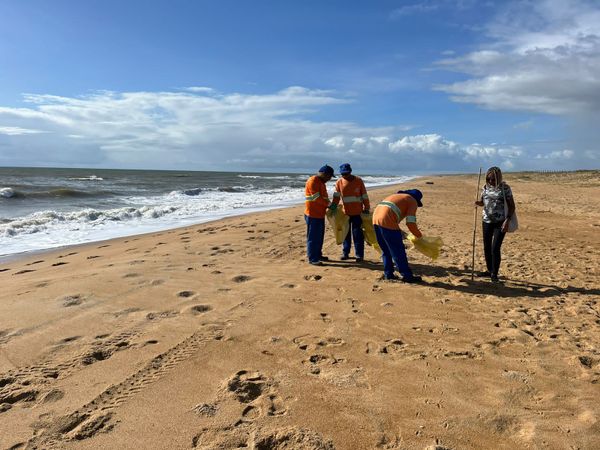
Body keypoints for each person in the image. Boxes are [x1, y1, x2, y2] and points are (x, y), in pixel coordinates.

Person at [372, 189, 424, 283]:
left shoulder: (396, 196)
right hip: (386, 221)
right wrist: (419, 236)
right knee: (398, 250)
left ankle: (389, 274)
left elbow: (390, 212)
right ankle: (407, 276)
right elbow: (410, 223)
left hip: (375, 220)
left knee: (386, 250)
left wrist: (399, 231)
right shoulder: (412, 201)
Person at [475, 166, 515, 282]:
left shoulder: (505, 188)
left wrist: (507, 220)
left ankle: (494, 273)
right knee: (487, 246)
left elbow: (512, 206)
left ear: (499, 178)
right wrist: (479, 203)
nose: (491, 182)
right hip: (486, 220)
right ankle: (489, 270)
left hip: (500, 222)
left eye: (493, 179)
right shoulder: (485, 188)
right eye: (489, 179)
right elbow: (483, 202)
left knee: (495, 247)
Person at [330, 163, 370, 262]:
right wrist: (333, 207)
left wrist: (367, 207)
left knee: (358, 235)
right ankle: (345, 253)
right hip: (345, 213)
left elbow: (364, 195)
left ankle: (359, 255)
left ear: (350, 172)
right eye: (343, 174)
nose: (345, 176)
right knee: (345, 234)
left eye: (346, 174)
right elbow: (336, 197)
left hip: (357, 213)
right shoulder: (339, 182)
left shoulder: (358, 181)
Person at [304, 164, 335, 266]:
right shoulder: (313, 181)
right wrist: (329, 205)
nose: (329, 179)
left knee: (319, 237)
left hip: (320, 214)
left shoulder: (321, 183)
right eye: (329, 176)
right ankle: (313, 258)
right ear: (324, 174)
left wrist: (330, 205)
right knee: (313, 237)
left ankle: (318, 254)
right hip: (312, 214)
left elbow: (325, 198)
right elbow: (316, 198)